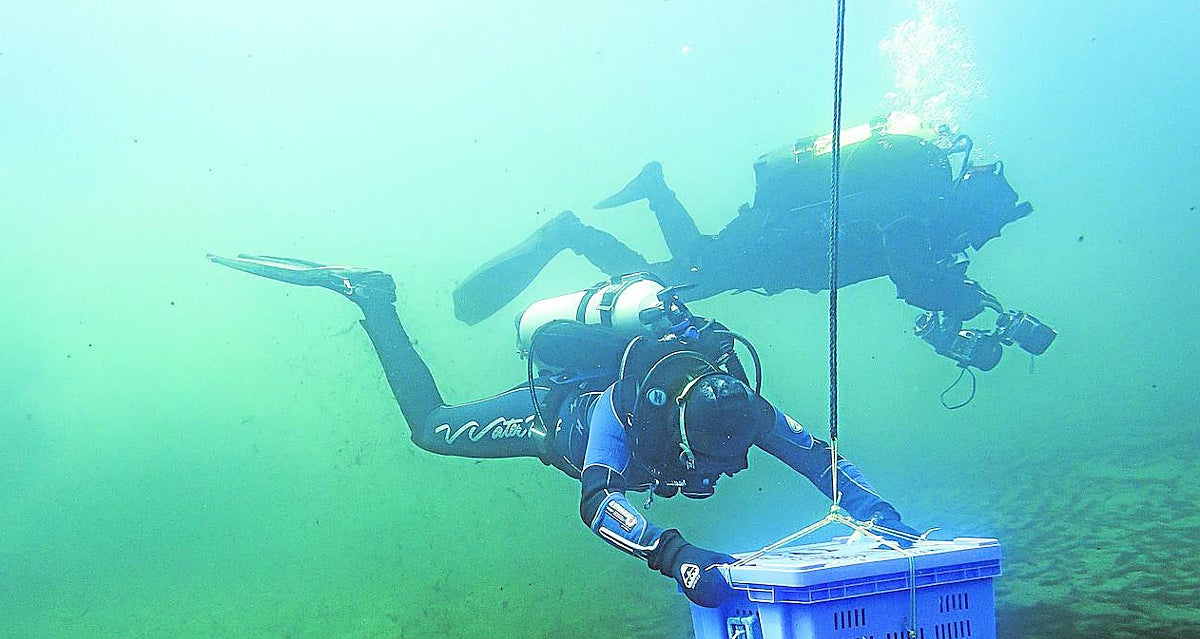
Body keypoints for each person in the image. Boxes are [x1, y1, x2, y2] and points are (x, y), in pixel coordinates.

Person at [208, 255, 922, 608]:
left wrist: (878, 518)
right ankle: (372, 296)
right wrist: (672, 554)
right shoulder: (619, 414)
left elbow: (814, 455)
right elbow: (599, 503)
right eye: (712, 456)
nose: (727, 466)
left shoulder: (733, 402)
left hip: (620, 378)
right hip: (554, 415)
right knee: (430, 429)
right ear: (671, 421)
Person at [452, 113, 1056, 376]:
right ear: (976, 204)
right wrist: (965, 304)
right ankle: (572, 233)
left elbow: (912, 268)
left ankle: (653, 189)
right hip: (776, 244)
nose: (987, 236)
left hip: (776, 243)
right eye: (991, 225)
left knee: (695, 265)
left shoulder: (918, 206)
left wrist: (960, 296)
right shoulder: (917, 209)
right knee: (670, 284)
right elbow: (911, 276)